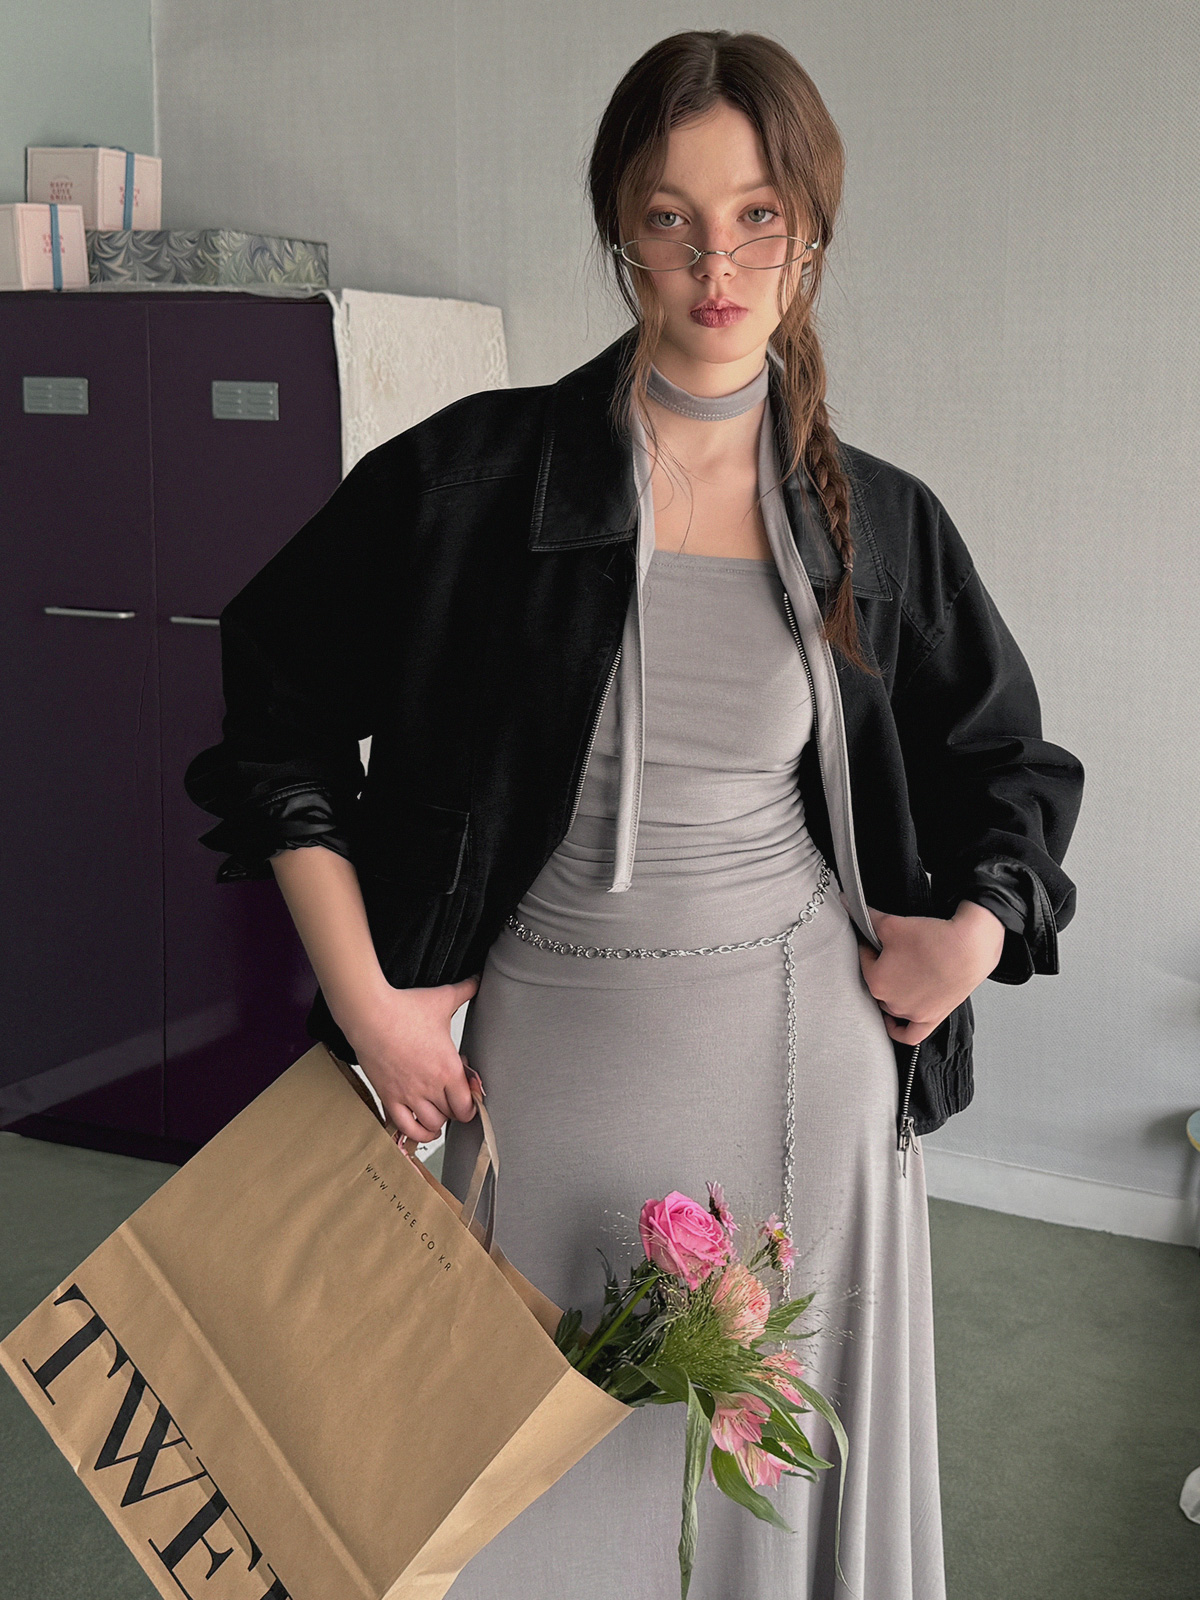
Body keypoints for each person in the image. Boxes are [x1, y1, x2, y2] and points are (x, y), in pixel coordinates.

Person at [185, 29, 1083, 1600]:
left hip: (804, 1071)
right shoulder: (469, 485)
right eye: (673, 218)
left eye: (758, 219)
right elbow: (275, 722)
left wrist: (980, 932)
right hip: (539, 1067)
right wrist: (370, 1003)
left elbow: (1007, 760)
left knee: (763, 1502)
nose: (716, 266)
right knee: (507, 1489)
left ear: (810, 233)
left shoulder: (882, 522)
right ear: (620, 228)